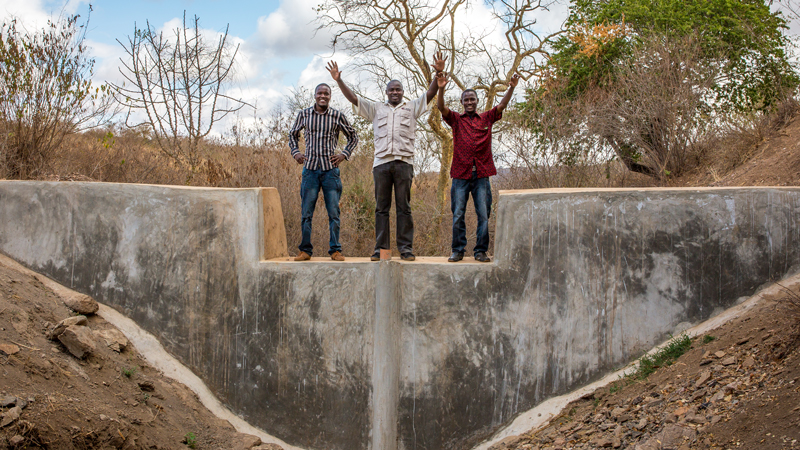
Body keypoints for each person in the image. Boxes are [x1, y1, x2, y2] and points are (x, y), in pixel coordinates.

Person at [327, 53, 446, 261]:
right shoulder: (376, 109)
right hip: (381, 165)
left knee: (404, 208)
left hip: (404, 164)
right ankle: (381, 251)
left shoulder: (411, 108)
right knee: (381, 209)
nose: (395, 92)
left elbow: (429, 94)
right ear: (386, 92)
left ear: (402, 92)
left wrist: (437, 73)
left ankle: (406, 250)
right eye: (391, 89)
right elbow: (354, 98)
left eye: (398, 89)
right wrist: (338, 80)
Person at [436, 71, 520, 262]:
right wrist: (440, 88)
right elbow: (441, 107)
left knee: (483, 214)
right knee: (458, 214)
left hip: (481, 175)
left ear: (477, 101)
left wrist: (511, 88)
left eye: (472, 99)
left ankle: (480, 251)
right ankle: (457, 250)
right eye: (466, 100)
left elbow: (503, 105)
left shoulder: (487, 118)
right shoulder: (457, 120)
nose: (469, 102)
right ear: (462, 102)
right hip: (460, 175)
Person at [289, 83, 358, 261]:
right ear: (315, 95)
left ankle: (335, 250)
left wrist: (344, 154)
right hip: (310, 170)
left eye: (326, 93)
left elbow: (353, 136)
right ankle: (305, 250)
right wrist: (296, 152)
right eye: (320, 93)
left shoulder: (337, 116)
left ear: (330, 96)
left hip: (330, 171)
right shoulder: (304, 114)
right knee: (306, 213)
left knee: (334, 212)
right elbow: (292, 134)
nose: (323, 96)